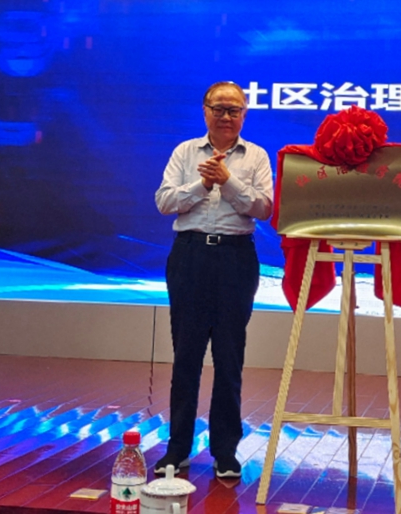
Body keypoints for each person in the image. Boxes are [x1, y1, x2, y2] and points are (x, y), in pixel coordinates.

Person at [154, 81, 273, 479]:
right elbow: (164, 201)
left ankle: (225, 452)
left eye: (234, 110)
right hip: (189, 256)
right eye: (219, 108)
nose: (226, 116)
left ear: (244, 115)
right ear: (204, 110)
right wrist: (202, 184)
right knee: (186, 356)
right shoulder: (185, 152)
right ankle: (177, 449)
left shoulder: (256, 156)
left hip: (236, 259)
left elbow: (265, 208)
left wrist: (227, 181)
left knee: (229, 356)